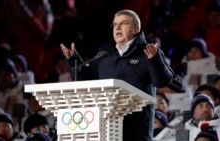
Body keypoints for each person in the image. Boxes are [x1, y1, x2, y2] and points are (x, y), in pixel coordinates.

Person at [60, 9, 174, 141]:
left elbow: (163, 81)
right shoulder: (104, 55)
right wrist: (73, 60)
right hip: (106, 132)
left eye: (123, 23)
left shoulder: (148, 53)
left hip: (137, 133)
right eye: (115, 24)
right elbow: (87, 81)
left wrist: (154, 60)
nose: (117, 27)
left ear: (136, 29)